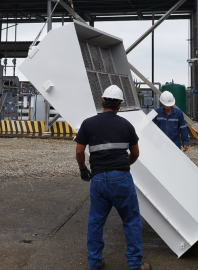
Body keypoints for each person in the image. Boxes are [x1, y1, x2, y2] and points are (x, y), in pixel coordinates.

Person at [75, 85, 151, 270]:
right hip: (121, 179)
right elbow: (135, 153)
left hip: (98, 179)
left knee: (96, 221)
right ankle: (135, 264)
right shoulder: (126, 125)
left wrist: (84, 169)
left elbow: (79, 151)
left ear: (102, 103)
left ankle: (94, 263)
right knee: (131, 221)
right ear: (119, 106)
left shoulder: (88, 123)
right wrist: (124, 164)